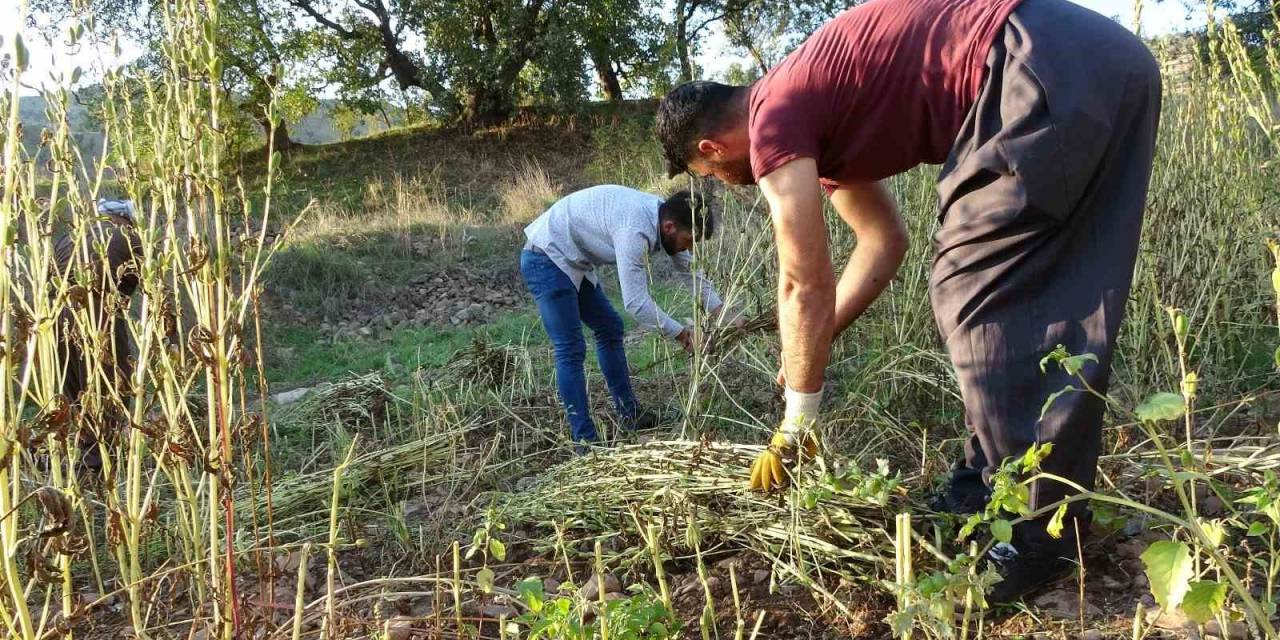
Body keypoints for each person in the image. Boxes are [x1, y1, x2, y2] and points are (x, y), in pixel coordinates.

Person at [654, 0, 1160, 604]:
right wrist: (813, 344)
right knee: (1049, 282)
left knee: (974, 284)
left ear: (711, 149)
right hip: (1103, 61)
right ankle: (987, 487)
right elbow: (881, 242)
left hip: (1033, 61)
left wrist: (797, 418)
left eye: (709, 175)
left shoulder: (772, 119)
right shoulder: (811, 111)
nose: (722, 182)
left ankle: (1037, 532)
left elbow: (802, 281)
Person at [521, 186, 735, 452]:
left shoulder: (668, 217)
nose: (688, 248)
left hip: (573, 259)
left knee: (610, 328)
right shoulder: (635, 229)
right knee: (571, 348)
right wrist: (682, 335)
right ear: (669, 228)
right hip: (545, 257)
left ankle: (630, 413)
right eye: (689, 241)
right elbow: (636, 303)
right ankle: (584, 442)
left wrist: (726, 314)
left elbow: (692, 274)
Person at [52, 199, 143, 473]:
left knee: (76, 392)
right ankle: (101, 467)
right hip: (99, 318)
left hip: (58, 319)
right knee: (110, 390)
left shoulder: (68, 235)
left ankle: (83, 461)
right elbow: (149, 282)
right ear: (124, 218)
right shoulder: (126, 235)